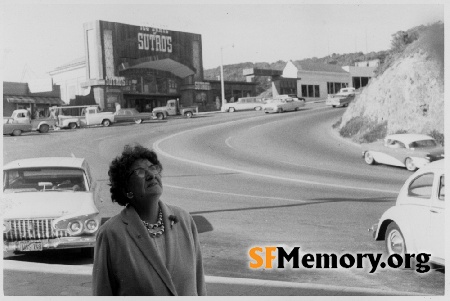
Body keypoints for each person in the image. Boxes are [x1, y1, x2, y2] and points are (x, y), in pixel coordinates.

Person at [92, 144, 207, 296]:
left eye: (153, 168)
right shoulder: (111, 234)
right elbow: (103, 293)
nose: (151, 175)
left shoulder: (183, 220)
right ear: (127, 189)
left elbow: (199, 286)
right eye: (140, 172)